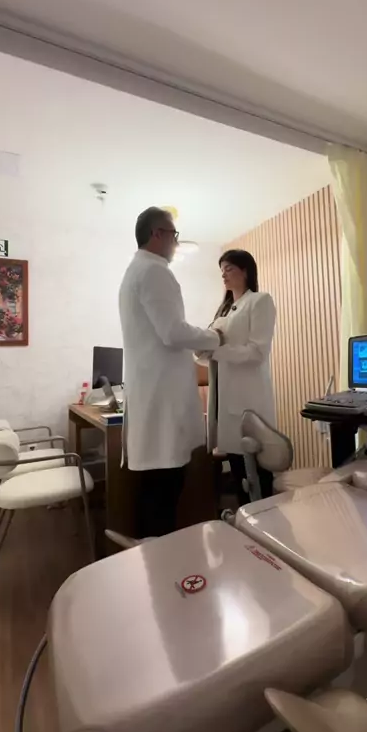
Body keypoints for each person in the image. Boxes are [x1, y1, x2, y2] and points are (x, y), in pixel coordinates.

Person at [119, 206, 223, 538]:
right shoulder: (154, 271)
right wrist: (215, 337)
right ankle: (160, 557)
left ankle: (149, 552)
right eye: (174, 235)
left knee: (154, 484)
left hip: (152, 392)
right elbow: (173, 332)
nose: (176, 243)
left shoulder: (136, 270)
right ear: (157, 234)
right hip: (161, 397)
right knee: (165, 485)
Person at [198, 249, 276, 504]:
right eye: (221, 270)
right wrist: (202, 348)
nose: (223, 275)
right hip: (225, 399)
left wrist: (217, 351)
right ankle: (244, 523)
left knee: (256, 472)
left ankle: (265, 521)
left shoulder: (259, 301)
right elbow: (208, 353)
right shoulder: (225, 311)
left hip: (248, 399)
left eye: (229, 268)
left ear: (245, 270)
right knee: (239, 472)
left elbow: (257, 352)